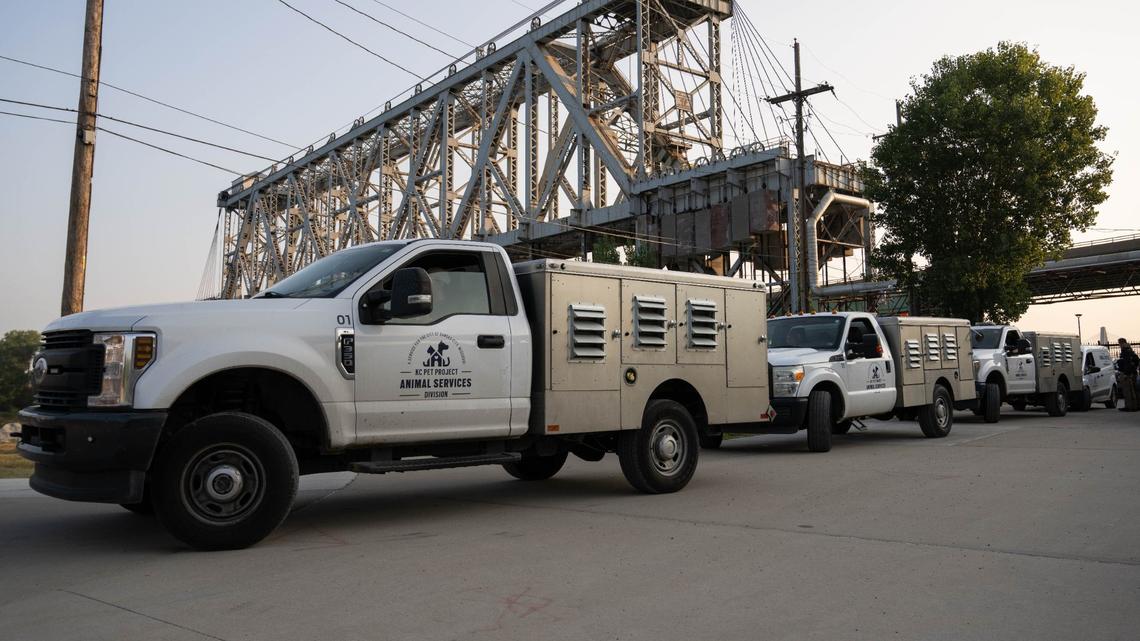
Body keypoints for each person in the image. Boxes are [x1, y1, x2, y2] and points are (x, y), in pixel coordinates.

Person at [1117, 338, 1140, 412]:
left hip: (1127, 374)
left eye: (1119, 343)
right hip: (1133, 373)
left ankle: (1129, 406)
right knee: (1134, 390)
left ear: (1121, 343)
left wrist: (1126, 373)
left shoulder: (1125, 351)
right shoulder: (1130, 350)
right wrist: (1134, 368)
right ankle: (1136, 406)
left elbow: (1127, 363)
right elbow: (1136, 360)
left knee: (1128, 391)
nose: (1119, 345)